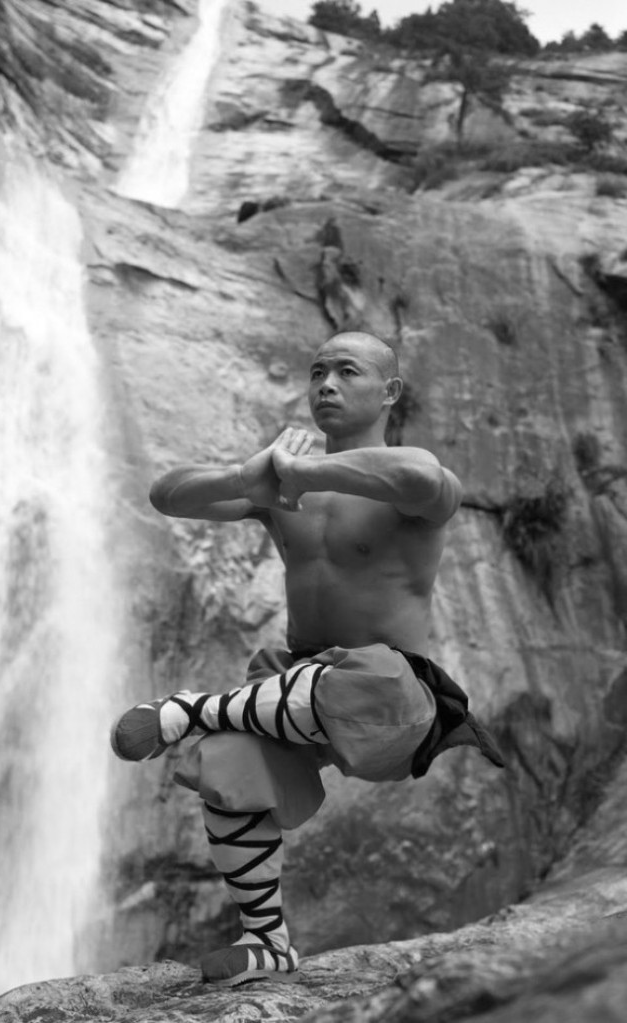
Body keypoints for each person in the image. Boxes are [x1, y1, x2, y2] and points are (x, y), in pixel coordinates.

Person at [110, 330, 503, 987]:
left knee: (372, 672)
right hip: (294, 696)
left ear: (390, 391)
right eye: (318, 371)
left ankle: (191, 710)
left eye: (347, 371)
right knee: (229, 761)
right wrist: (246, 479)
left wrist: (304, 472)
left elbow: (421, 477)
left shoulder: (413, 481)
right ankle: (266, 941)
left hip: (389, 700)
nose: (326, 384)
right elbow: (166, 494)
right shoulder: (279, 489)